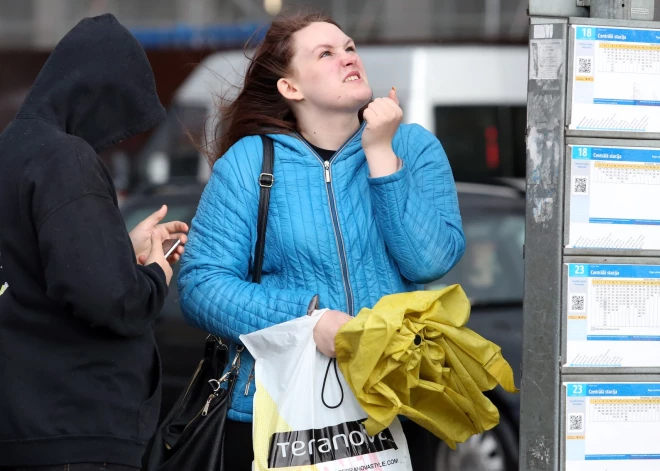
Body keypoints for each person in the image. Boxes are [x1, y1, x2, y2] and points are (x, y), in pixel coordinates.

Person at [178, 11, 465, 470]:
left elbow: (430, 260)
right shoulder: (250, 162)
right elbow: (201, 286)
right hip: (279, 412)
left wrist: (380, 154)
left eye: (349, 47)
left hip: (397, 401)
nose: (348, 58)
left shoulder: (411, 146)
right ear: (291, 88)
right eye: (326, 53)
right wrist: (310, 320)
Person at [0, 14, 188, 470]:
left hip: (26, 421)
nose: (115, 136)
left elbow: (37, 268)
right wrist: (155, 273)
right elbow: (109, 297)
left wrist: (119, 250)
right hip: (79, 427)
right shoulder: (65, 156)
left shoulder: (12, 149)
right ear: (98, 93)